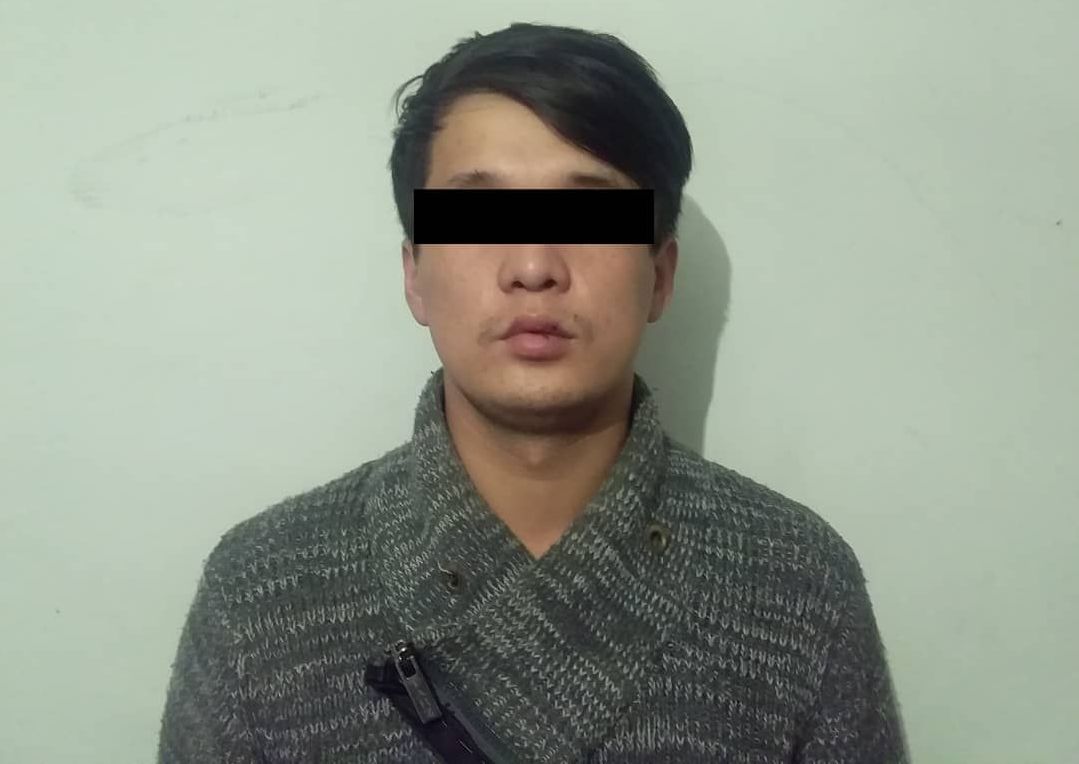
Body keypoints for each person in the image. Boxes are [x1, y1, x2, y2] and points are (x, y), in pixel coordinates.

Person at [158, 22, 909, 763]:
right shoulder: (261, 595)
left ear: (660, 275)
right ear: (414, 274)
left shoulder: (796, 585)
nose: (532, 266)